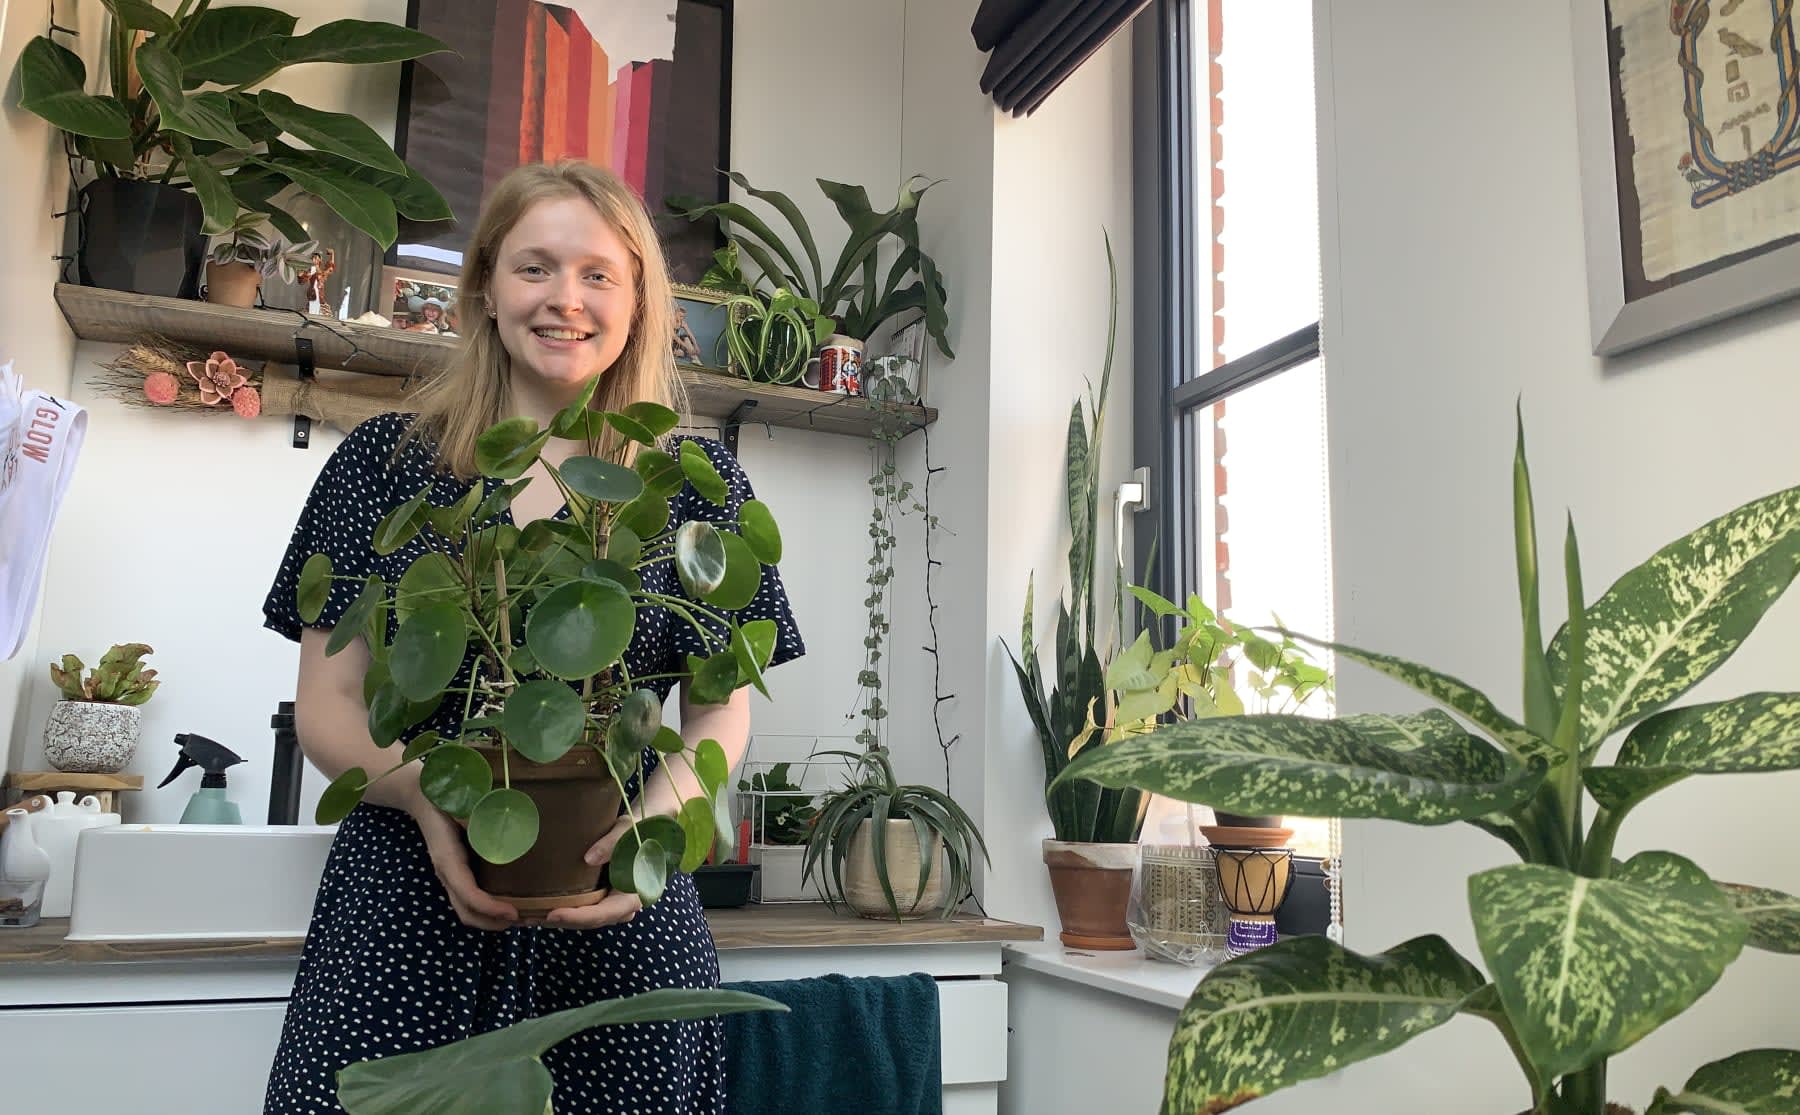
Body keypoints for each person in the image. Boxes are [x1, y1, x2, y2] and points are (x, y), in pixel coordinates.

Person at [259, 160, 805, 1114]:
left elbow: (721, 714)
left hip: (622, 910)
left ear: (639, 302)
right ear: (483, 287)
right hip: (408, 912)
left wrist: (661, 828)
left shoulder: (691, 485)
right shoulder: (383, 468)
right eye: (535, 268)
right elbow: (328, 709)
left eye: (599, 274)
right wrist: (430, 802)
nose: (566, 299)